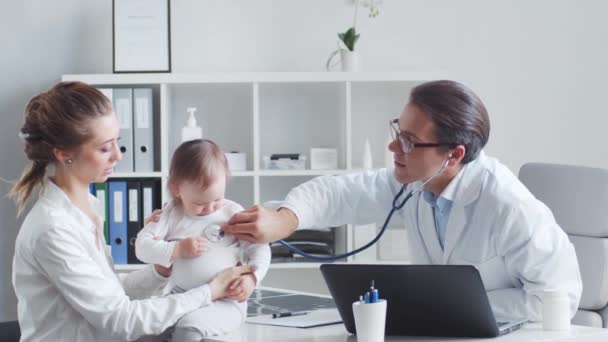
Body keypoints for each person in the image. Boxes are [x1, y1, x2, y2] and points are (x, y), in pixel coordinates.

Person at [222, 80, 583, 322]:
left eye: (409, 141)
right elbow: (338, 193)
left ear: (453, 155)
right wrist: (286, 219)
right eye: (398, 131)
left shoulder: (510, 207)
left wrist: (453, 304)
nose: (394, 148)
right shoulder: (415, 182)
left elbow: (559, 299)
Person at [10, 81, 254, 342]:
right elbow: (120, 319)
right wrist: (210, 291)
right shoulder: (53, 229)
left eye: (118, 141)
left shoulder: (88, 206)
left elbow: (111, 294)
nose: (118, 155)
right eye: (104, 148)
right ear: (64, 155)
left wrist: (161, 270)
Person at [135, 139, 271, 340]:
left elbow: (260, 248)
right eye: (199, 203)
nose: (209, 209)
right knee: (147, 330)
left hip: (225, 301)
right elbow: (142, 248)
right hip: (179, 295)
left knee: (188, 328)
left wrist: (252, 278)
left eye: (217, 199)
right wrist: (177, 249)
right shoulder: (170, 214)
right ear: (176, 189)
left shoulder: (232, 213)